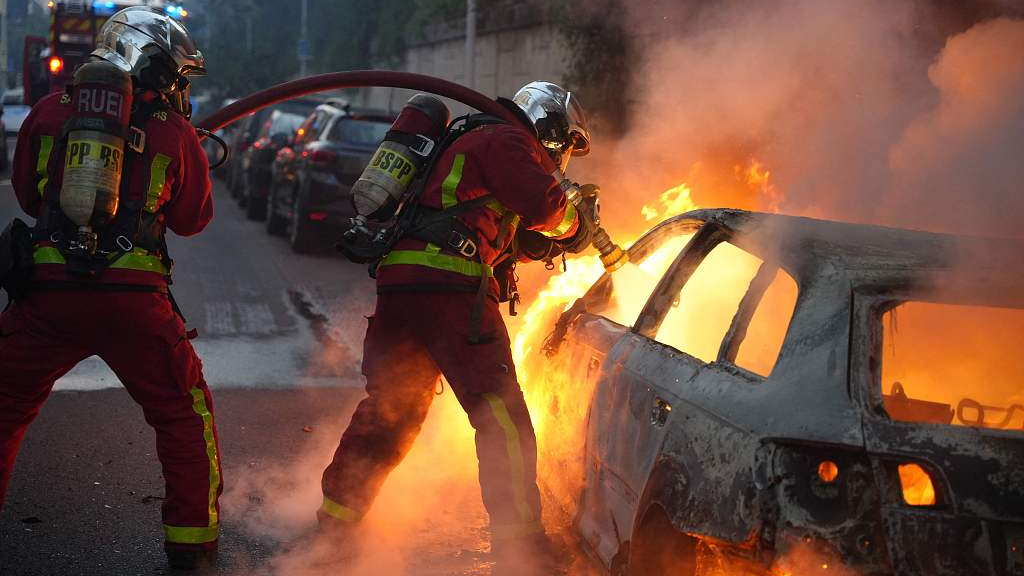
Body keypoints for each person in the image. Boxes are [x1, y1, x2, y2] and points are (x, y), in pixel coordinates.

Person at [319, 81, 596, 573]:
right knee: (501, 416)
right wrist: (578, 224)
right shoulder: (509, 141)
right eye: (563, 143)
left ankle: (335, 521)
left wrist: (530, 242)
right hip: (449, 285)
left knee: (392, 410)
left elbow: (488, 222)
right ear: (550, 127)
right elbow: (549, 208)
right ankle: (521, 547)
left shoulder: (466, 140)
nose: (559, 155)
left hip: (401, 283)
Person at [0, 7, 219, 570]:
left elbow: (27, 197)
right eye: (177, 75)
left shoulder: (50, 113)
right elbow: (195, 220)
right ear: (155, 65)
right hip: (134, 304)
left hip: (47, 296)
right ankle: (192, 545)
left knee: (4, 406)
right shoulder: (172, 131)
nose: (178, 87)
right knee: (182, 412)